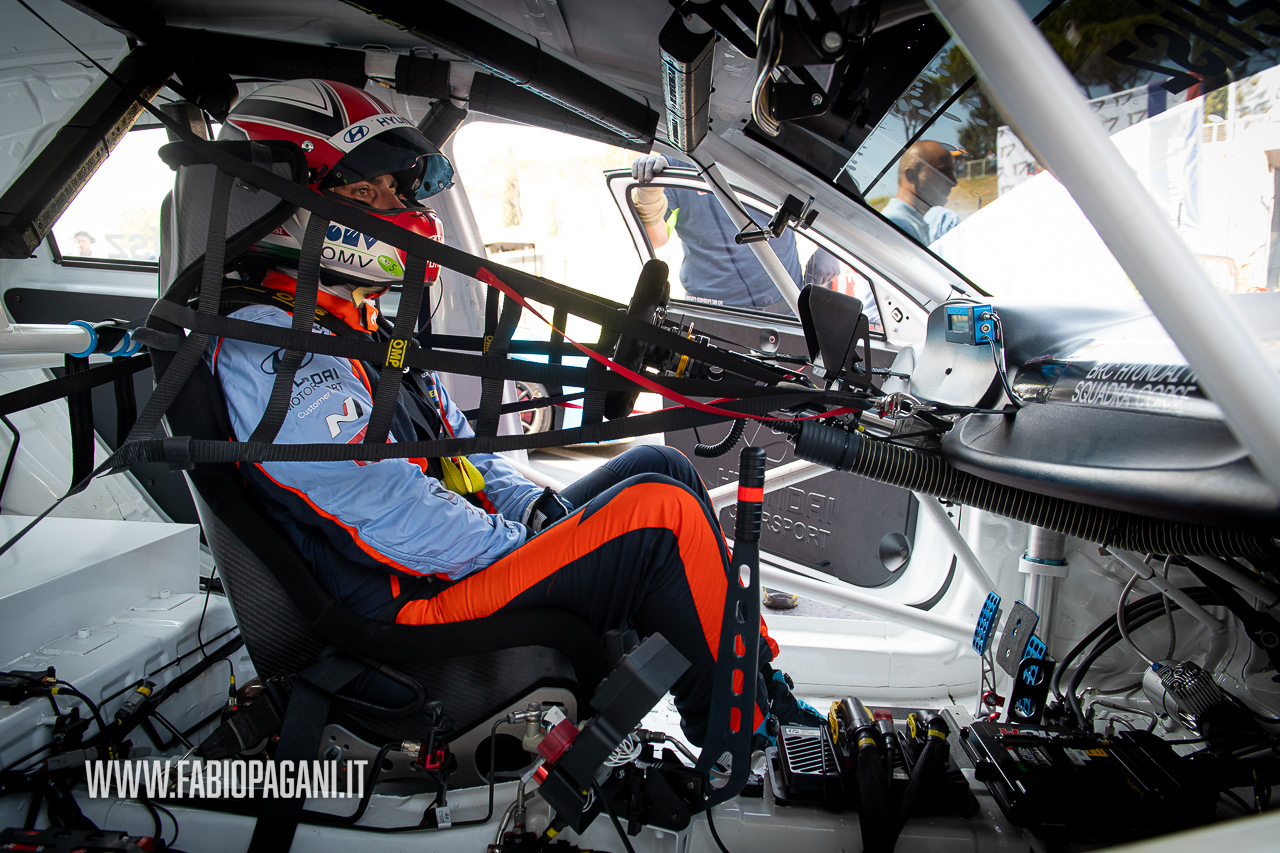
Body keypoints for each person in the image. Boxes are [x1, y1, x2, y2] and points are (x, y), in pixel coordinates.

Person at [205, 79, 822, 746]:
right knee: (659, 516)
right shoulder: (271, 347)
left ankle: (761, 687)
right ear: (281, 204)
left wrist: (535, 512)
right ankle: (742, 744)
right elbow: (384, 509)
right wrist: (523, 547)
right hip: (407, 602)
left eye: (394, 188)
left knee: (659, 465)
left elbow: (458, 450)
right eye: (363, 193)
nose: (396, 207)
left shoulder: (352, 324)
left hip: (440, 561)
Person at [631, 154, 802, 313]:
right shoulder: (676, 162)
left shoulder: (768, 148)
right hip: (711, 312)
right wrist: (649, 198)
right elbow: (655, 239)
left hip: (785, 308)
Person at [881, 140, 958, 244]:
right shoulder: (898, 227)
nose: (953, 182)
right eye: (944, 171)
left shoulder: (909, 224)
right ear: (911, 175)